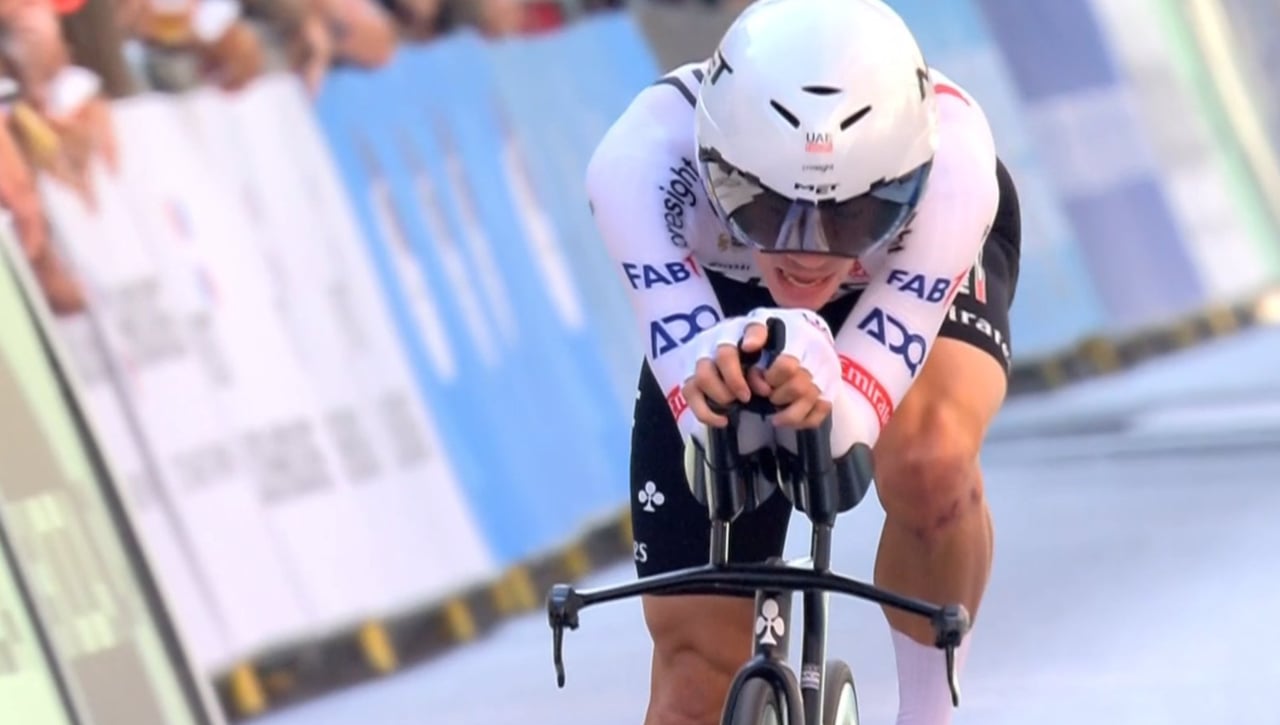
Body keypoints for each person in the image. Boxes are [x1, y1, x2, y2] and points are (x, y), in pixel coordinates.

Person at [583, 0, 1022, 723]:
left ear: (902, 184)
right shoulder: (639, 163)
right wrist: (724, 376)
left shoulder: (954, 170)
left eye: (847, 214)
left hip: (888, 279)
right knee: (696, 681)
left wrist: (828, 380)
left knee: (928, 460)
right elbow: (707, 425)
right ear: (715, 166)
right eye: (763, 206)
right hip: (724, 284)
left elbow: (845, 430)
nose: (805, 249)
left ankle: (928, 712)